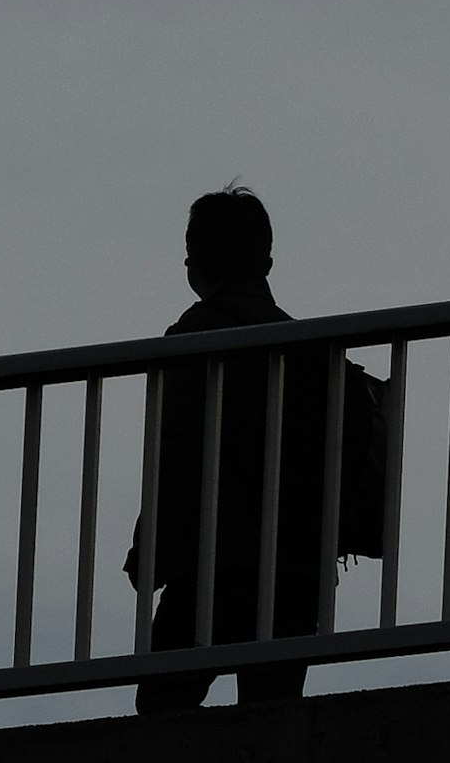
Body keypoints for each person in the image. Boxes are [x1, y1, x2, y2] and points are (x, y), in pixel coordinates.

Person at [130, 187, 380, 712]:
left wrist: (151, 548)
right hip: (296, 571)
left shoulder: (197, 335)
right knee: (273, 716)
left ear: (195, 261)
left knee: (160, 709)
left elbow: (179, 452)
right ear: (266, 260)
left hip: (213, 563)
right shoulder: (320, 353)